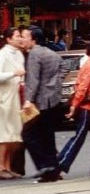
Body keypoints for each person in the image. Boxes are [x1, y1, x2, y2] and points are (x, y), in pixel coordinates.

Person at [57, 40, 90, 180]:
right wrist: (74, 105)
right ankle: (60, 164)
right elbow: (83, 86)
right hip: (87, 107)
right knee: (79, 137)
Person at [22, 26, 64, 182]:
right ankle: (53, 170)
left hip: (39, 101)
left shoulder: (34, 54)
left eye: (25, 36)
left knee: (29, 134)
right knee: (47, 135)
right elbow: (63, 68)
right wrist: (54, 86)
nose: (22, 39)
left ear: (33, 39)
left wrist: (28, 100)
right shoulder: (52, 53)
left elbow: (33, 80)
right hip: (53, 99)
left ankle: (44, 166)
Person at [0, 28, 26, 180]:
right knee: (4, 134)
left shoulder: (19, 54)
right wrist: (13, 74)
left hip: (16, 95)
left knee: (14, 135)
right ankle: (1, 166)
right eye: (17, 36)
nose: (20, 39)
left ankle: (8, 166)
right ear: (9, 39)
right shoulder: (3, 54)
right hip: (4, 97)